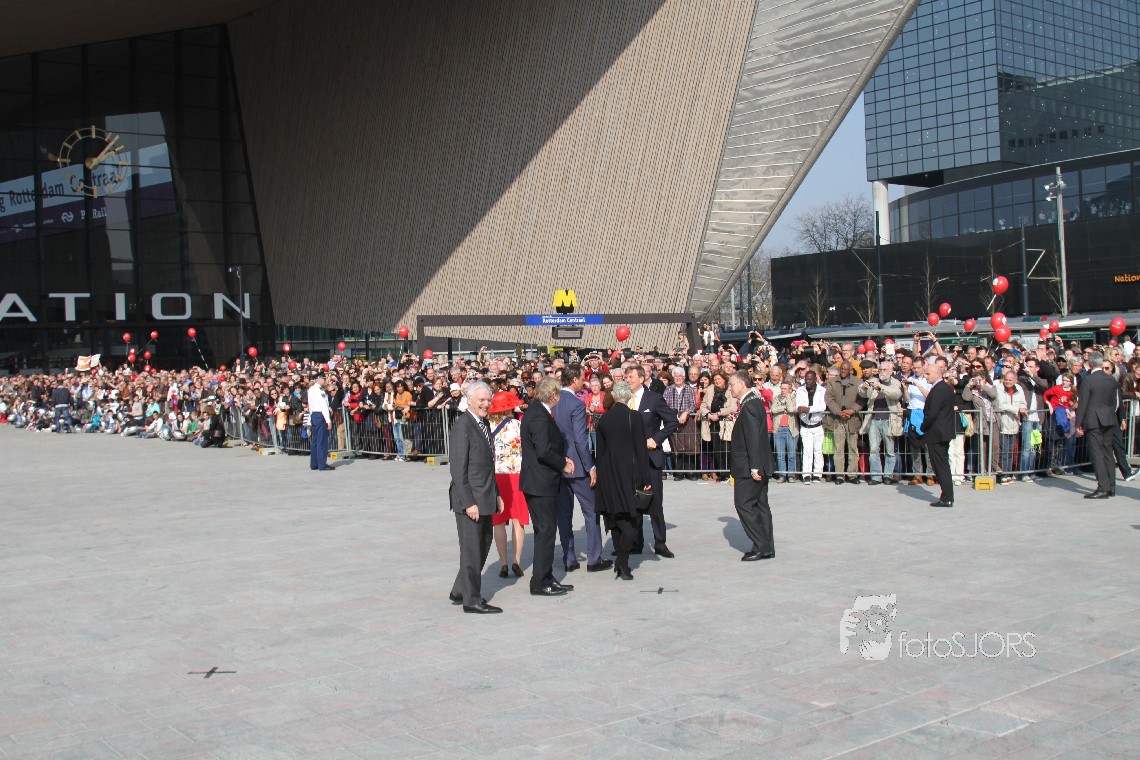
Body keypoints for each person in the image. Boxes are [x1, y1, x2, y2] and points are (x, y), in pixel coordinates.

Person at [447, 382, 505, 613]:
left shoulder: (483, 423)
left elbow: (488, 465)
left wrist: (496, 494)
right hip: (470, 499)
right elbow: (458, 469)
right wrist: (469, 502)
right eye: (481, 400)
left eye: (488, 400)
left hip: (486, 495)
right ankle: (471, 599)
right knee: (472, 550)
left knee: (483, 544)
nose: (486, 404)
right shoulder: (463, 425)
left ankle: (460, 589)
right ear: (469, 400)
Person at [520, 378, 576, 597]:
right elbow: (543, 450)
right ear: (553, 395)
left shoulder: (538, 411)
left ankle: (546, 576)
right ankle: (540, 581)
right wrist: (562, 464)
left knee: (545, 531)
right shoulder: (538, 415)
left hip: (540, 481)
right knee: (546, 531)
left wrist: (561, 459)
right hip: (540, 483)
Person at [552, 365, 610, 573]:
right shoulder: (576, 404)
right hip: (577, 465)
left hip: (559, 464)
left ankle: (569, 559)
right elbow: (580, 439)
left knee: (564, 515)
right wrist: (590, 466)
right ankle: (594, 559)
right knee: (591, 512)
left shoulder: (553, 401)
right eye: (581, 379)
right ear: (575, 379)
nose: (583, 383)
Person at [594, 382, 652, 580]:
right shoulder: (634, 417)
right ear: (628, 397)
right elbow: (641, 450)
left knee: (615, 518)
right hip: (629, 473)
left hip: (608, 474)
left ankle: (621, 562)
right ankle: (622, 562)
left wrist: (600, 476)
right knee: (630, 521)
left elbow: (599, 452)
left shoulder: (604, 419)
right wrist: (646, 477)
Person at [625, 365, 679, 557]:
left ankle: (660, 543)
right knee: (633, 500)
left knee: (654, 502)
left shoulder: (654, 399)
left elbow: (672, 421)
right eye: (626, 377)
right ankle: (635, 542)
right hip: (630, 459)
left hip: (650, 459)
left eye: (631, 377)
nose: (628, 380)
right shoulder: (623, 400)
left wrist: (656, 439)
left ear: (641, 378)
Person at [727, 371, 776, 561]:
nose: (730, 388)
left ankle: (761, 545)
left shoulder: (749, 405)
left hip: (749, 466)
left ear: (742, 384)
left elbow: (753, 437)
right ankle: (766, 547)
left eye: (732, 384)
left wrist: (754, 467)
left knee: (744, 504)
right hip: (757, 463)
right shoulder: (754, 402)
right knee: (761, 505)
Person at [486, 391, 528, 579]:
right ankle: (516, 561)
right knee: (518, 520)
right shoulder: (518, 425)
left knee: (498, 522)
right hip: (517, 475)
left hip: (497, 476)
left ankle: (503, 563)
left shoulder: (488, 427)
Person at [1076, 350, 1121, 498]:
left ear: (1089, 364)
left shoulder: (1088, 380)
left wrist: (1078, 423)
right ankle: (1111, 486)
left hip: (1094, 420)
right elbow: (1115, 401)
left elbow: (1083, 403)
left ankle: (1103, 487)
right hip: (1109, 418)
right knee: (1108, 452)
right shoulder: (1111, 379)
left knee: (1097, 454)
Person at [858, 360, 903, 485]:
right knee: (873, 449)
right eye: (880, 370)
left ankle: (888, 475)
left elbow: (896, 394)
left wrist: (881, 387)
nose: (882, 372)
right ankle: (876, 476)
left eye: (885, 370)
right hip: (874, 420)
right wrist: (863, 387)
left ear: (891, 371)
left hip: (889, 419)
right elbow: (861, 393)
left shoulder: (895, 382)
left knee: (889, 450)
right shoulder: (874, 381)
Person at [919, 360, 955, 507]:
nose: (926, 376)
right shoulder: (944, 388)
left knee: (940, 465)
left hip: (937, 433)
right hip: (942, 432)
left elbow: (932, 413)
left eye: (928, 374)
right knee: (942, 465)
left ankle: (947, 497)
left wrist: (923, 426)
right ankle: (946, 496)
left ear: (938, 374)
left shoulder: (939, 389)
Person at [825, 361, 862, 483]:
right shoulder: (833, 381)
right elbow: (828, 398)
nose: (843, 371)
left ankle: (852, 475)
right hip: (838, 419)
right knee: (838, 448)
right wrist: (838, 411)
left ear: (850, 370)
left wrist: (853, 410)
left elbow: (862, 399)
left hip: (852, 419)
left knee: (853, 448)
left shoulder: (857, 382)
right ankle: (839, 475)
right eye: (841, 369)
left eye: (846, 369)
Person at [796, 370, 827, 483]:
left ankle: (817, 474)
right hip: (805, 425)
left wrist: (809, 409)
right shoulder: (801, 390)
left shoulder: (822, 390)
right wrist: (801, 408)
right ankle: (806, 474)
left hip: (817, 425)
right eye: (806, 379)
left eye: (810, 379)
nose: (807, 381)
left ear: (815, 379)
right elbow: (799, 405)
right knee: (807, 451)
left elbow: (823, 406)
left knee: (818, 450)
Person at [307, 375, 333, 471]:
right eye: (323, 379)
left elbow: (310, 405)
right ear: (318, 379)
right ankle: (322, 464)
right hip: (320, 415)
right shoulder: (320, 390)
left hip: (314, 415)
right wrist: (328, 420)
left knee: (315, 441)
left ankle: (314, 464)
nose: (325, 380)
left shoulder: (310, 390)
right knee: (322, 441)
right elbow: (323, 406)